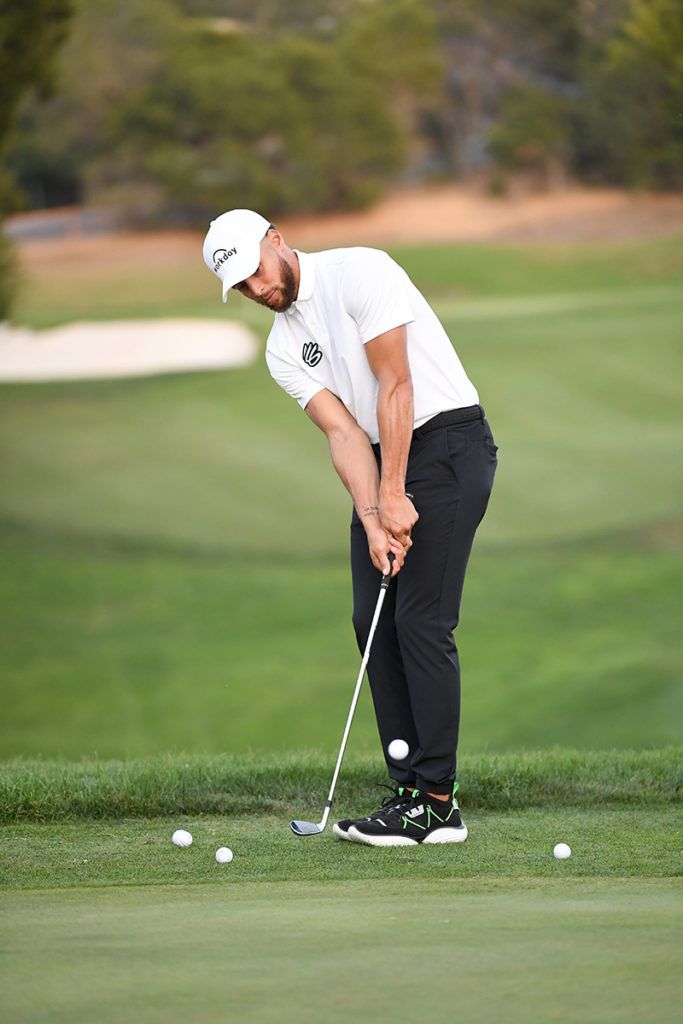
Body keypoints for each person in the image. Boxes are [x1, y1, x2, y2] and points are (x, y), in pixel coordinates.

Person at [203, 208, 497, 847]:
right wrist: (372, 516)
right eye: (244, 288)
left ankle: (439, 803)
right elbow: (342, 432)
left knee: (421, 619)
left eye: (257, 272)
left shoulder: (360, 272)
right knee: (372, 619)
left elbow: (397, 384)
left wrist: (396, 492)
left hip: (448, 442)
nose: (259, 291)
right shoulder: (283, 349)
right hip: (380, 454)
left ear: (276, 241)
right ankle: (407, 789)